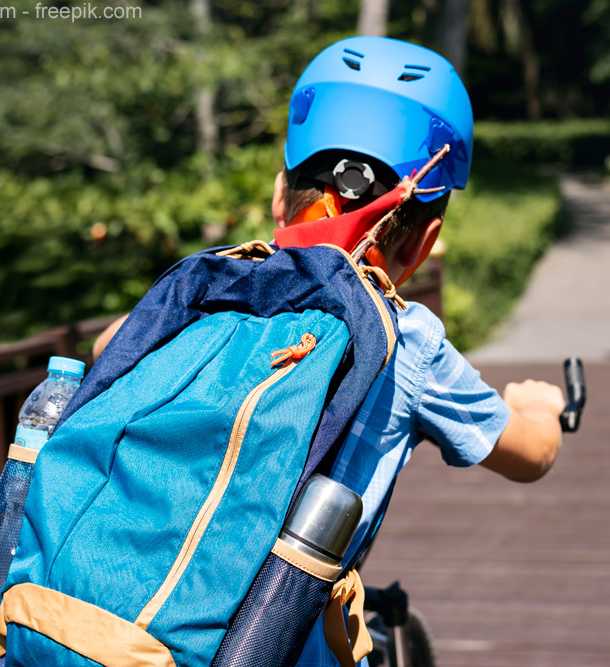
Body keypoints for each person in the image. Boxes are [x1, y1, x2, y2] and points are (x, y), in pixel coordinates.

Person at [94, 36, 565, 667]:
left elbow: (107, 349)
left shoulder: (211, 288)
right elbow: (530, 456)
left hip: (104, 621)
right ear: (426, 240)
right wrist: (542, 409)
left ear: (276, 196)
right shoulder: (410, 342)